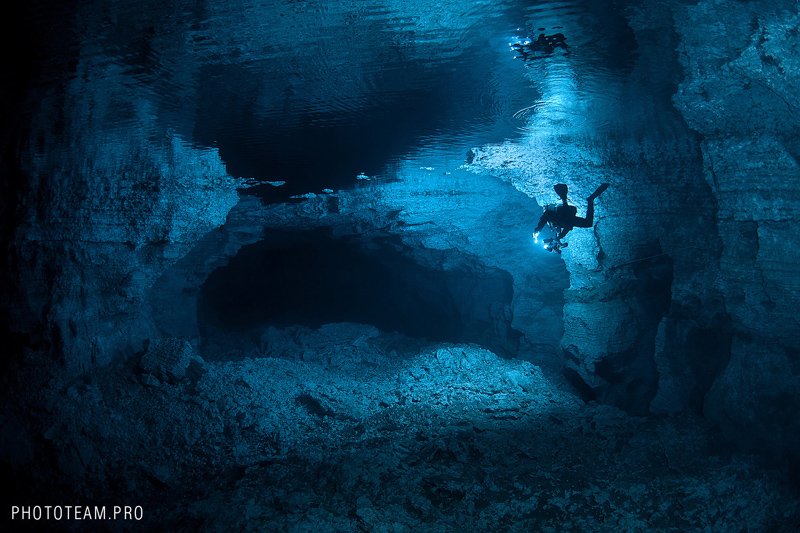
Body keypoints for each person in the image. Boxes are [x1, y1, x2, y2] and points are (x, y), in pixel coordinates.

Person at [534, 183, 609, 240]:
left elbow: (545, 217)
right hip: (569, 218)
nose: (556, 229)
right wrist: (561, 236)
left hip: (563, 213)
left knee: (564, 218)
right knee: (588, 223)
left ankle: (564, 198)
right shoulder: (560, 226)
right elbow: (567, 227)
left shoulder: (551, 220)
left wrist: (538, 230)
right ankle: (590, 200)